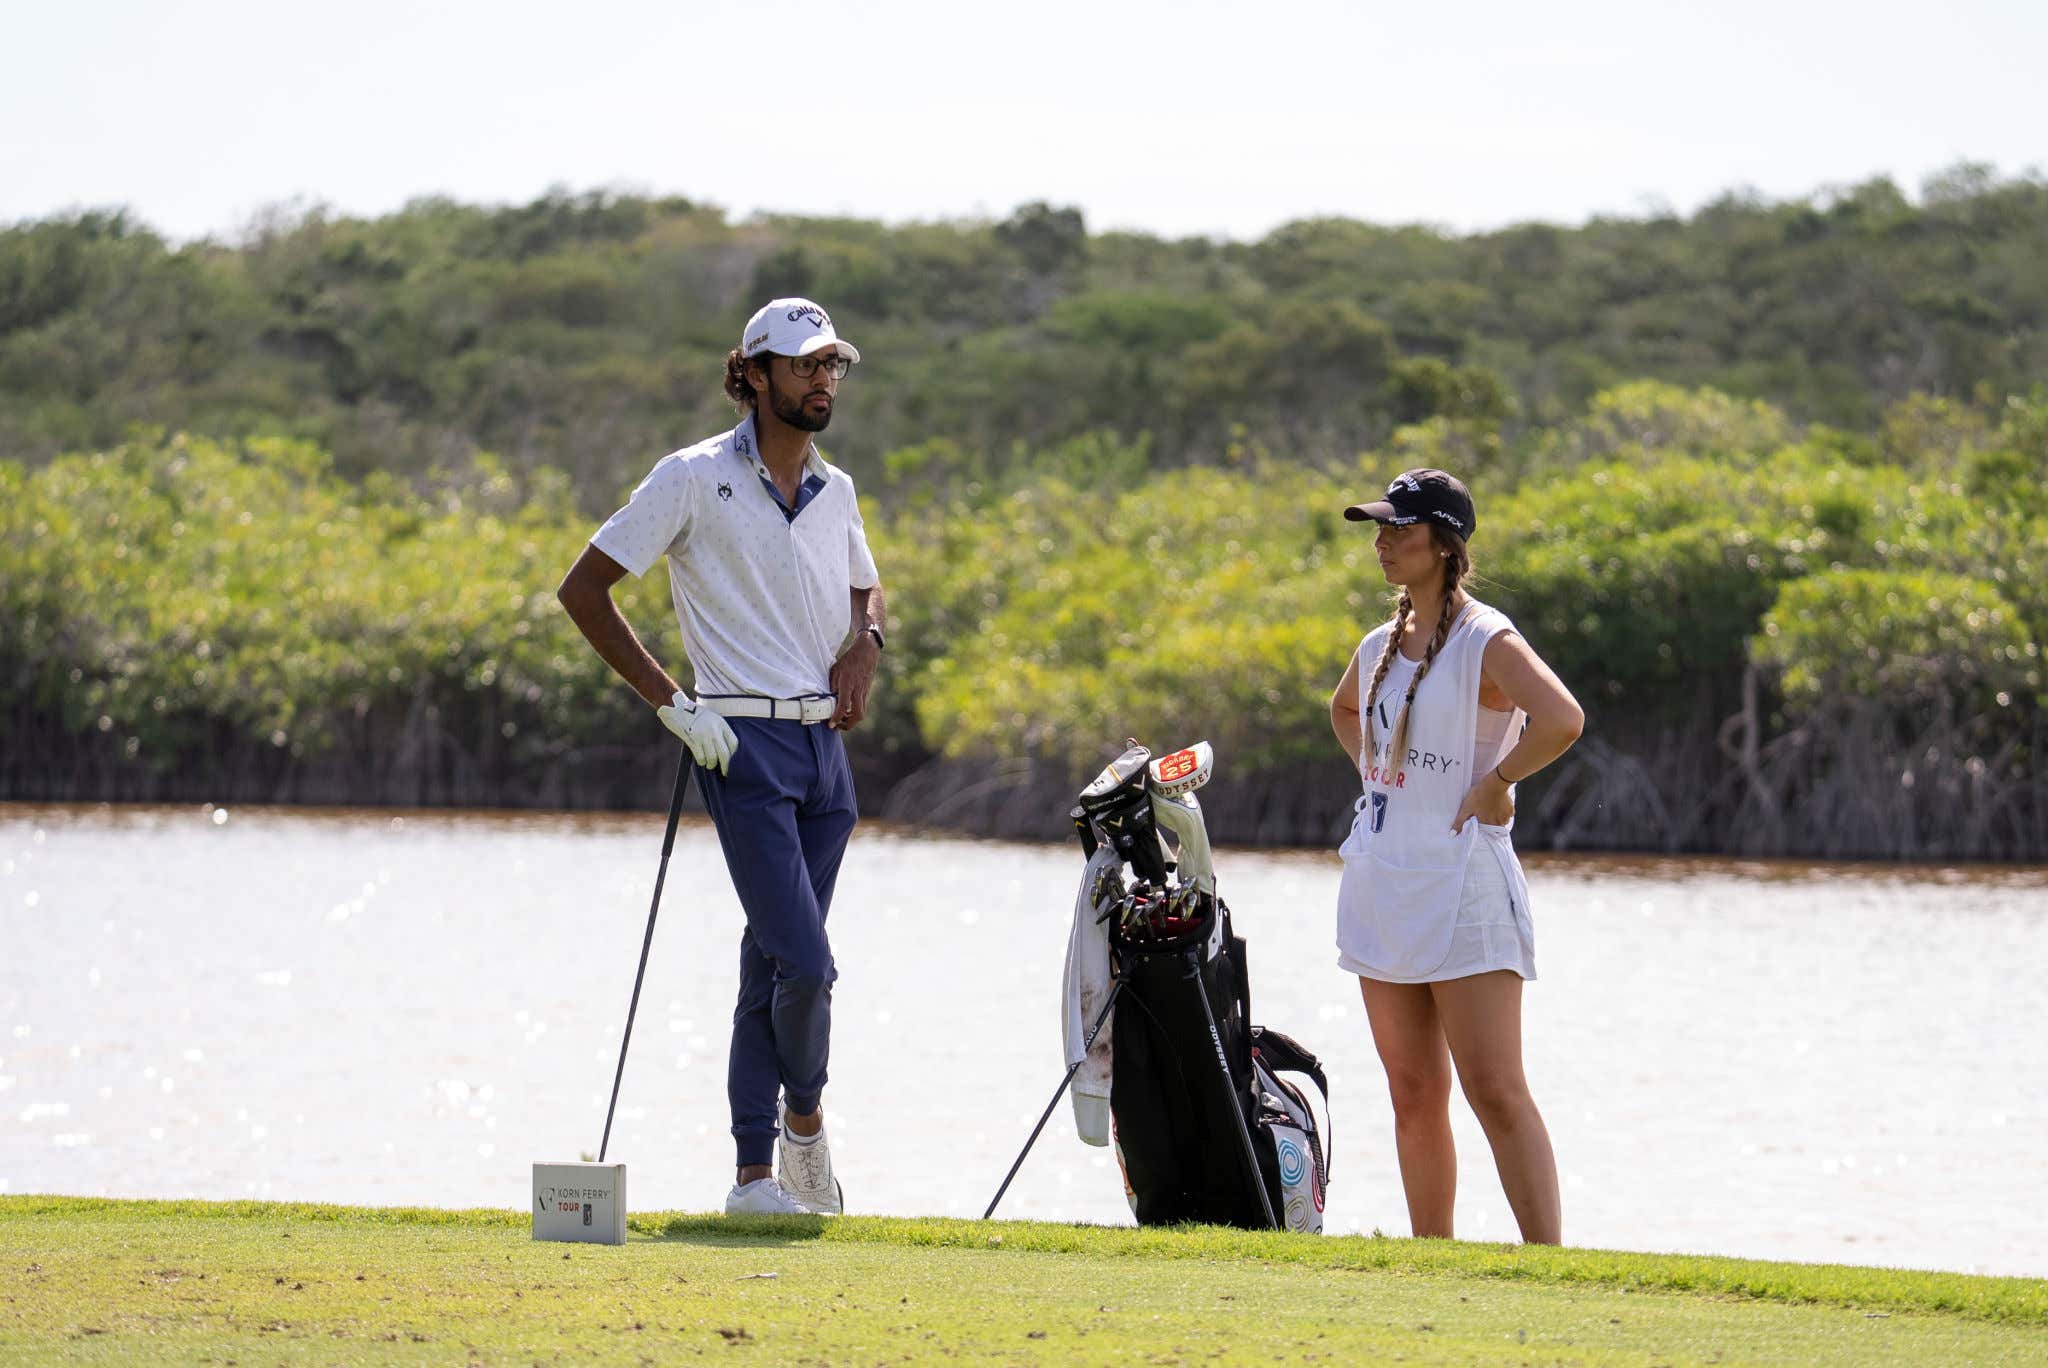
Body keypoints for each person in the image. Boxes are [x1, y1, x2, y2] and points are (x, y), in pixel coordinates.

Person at [556, 297, 886, 1216]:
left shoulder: (838, 487)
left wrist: (868, 643)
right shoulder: (693, 476)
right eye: (806, 365)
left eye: (834, 366)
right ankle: (805, 1128)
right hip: (740, 743)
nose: (825, 380)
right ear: (756, 373)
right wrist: (672, 706)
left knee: (773, 963)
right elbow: (584, 590)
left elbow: (866, 586)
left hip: (827, 755)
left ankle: (752, 1180)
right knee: (807, 967)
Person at [1327, 468, 1582, 1245]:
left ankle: (1550, 1267)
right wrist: (1383, 780)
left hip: (1464, 883)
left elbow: (1561, 718)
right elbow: (1344, 710)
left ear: (1444, 544)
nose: (1383, 544)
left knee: (1495, 1089)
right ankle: (1430, 1257)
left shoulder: (1486, 638)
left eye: (1399, 531)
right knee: (1412, 1091)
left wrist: (1498, 780)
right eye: (1379, 531)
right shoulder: (1379, 644)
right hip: (1384, 880)